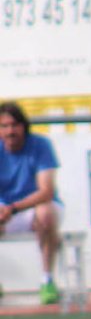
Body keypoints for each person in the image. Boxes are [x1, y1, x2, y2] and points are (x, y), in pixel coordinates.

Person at [0, 102, 63, 305]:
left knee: (45, 214)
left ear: (24, 126)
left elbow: (46, 191)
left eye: (15, 125)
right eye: (4, 126)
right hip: (7, 210)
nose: (10, 131)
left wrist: (13, 208)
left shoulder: (40, 145)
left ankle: (47, 279)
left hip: (32, 208)